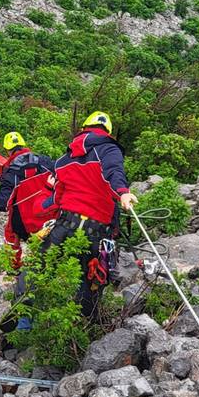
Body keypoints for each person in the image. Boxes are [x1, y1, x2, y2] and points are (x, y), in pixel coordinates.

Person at [41, 111, 138, 319]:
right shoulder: (109, 149)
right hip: (95, 232)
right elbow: (114, 172)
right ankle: (84, 327)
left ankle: (22, 321)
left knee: (39, 269)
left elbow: (57, 196)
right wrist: (123, 193)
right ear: (107, 132)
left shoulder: (64, 159)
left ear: (84, 129)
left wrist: (42, 211)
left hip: (64, 226)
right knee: (92, 281)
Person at [0, 131, 57, 330]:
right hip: (50, 214)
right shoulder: (45, 160)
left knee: (10, 234)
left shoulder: (12, 167)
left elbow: (3, 203)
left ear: (8, 149)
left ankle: (16, 267)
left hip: (24, 219)